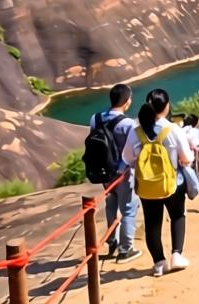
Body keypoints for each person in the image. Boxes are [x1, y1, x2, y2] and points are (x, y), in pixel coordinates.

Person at [122, 88, 194, 277]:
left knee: (152, 223)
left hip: (146, 186)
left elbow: (127, 157)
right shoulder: (173, 130)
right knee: (177, 216)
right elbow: (187, 157)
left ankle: (159, 263)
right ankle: (177, 255)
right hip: (172, 184)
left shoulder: (135, 132)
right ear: (166, 106)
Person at [87, 83, 141, 263]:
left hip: (104, 173)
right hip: (124, 173)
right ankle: (126, 250)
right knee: (128, 209)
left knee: (111, 206)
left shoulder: (95, 119)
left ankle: (113, 243)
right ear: (127, 102)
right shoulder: (128, 124)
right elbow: (133, 151)